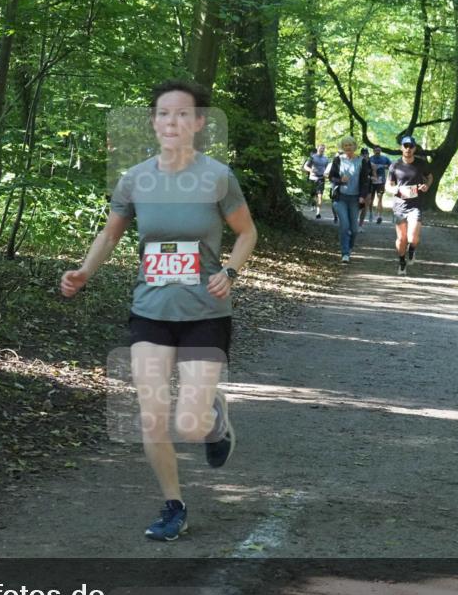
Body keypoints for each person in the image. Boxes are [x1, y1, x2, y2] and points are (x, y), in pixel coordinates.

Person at [60, 79, 258, 541]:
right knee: (151, 412)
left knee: (189, 424)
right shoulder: (135, 179)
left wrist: (230, 270)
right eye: (164, 114)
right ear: (153, 122)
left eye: (183, 114)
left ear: (199, 123)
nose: (172, 122)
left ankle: (213, 419)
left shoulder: (217, 177)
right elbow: (110, 234)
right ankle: (173, 506)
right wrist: (84, 271)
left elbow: (247, 233)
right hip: (150, 309)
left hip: (205, 311)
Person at [385, 135, 433, 275]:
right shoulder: (395, 165)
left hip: (415, 205)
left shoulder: (421, 164)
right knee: (402, 239)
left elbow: (430, 177)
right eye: (405, 146)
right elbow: (388, 185)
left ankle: (412, 249)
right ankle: (402, 262)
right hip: (399, 206)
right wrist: (395, 190)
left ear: (414, 148)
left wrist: (426, 186)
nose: (408, 149)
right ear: (401, 148)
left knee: (412, 238)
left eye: (411, 146)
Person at [328, 136, 370, 264]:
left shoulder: (361, 161)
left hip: (355, 198)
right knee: (345, 225)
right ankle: (345, 253)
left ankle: (349, 247)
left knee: (354, 229)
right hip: (341, 197)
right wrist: (340, 180)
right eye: (345, 145)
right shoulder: (338, 160)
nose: (348, 147)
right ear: (343, 147)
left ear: (354, 146)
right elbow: (331, 177)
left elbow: (365, 181)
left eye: (350, 145)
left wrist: (362, 196)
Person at [302, 144, 330, 219]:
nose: (322, 150)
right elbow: (305, 166)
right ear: (317, 149)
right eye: (321, 148)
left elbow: (328, 168)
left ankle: (318, 213)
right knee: (313, 194)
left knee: (320, 196)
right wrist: (311, 170)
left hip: (321, 178)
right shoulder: (313, 157)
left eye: (323, 148)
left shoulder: (326, 159)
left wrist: (327, 175)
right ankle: (313, 203)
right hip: (313, 178)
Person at [368, 146, 391, 224]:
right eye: (376, 150)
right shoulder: (370, 159)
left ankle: (379, 216)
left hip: (381, 181)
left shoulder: (385, 158)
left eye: (379, 150)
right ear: (373, 151)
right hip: (372, 181)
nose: (377, 152)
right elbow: (366, 168)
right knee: (370, 199)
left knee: (380, 198)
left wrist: (383, 166)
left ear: (380, 150)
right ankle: (370, 214)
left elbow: (391, 166)